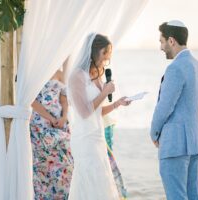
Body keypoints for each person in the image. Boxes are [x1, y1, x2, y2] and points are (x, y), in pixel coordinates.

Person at [68, 33, 131, 200]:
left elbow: (98, 111)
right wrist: (104, 92)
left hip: (98, 135)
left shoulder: (96, 75)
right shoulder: (76, 77)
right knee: (88, 180)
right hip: (84, 138)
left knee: (102, 179)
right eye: (105, 53)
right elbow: (84, 112)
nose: (107, 57)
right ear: (94, 51)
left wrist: (117, 103)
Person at [150, 20, 198, 200]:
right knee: (193, 195)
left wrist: (154, 132)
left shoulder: (175, 68)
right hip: (194, 141)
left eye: (162, 41)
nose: (161, 47)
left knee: (176, 196)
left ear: (171, 41)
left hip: (175, 144)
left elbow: (165, 107)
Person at [30, 68, 74, 199]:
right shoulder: (35, 72)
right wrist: (50, 118)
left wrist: (64, 117)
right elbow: (32, 101)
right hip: (40, 124)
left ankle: (64, 195)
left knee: (67, 163)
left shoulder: (60, 73)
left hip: (60, 122)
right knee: (43, 166)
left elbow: (64, 100)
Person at [104, 115, 128, 199]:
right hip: (101, 123)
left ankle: (117, 194)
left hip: (105, 123)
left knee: (108, 164)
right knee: (107, 164)